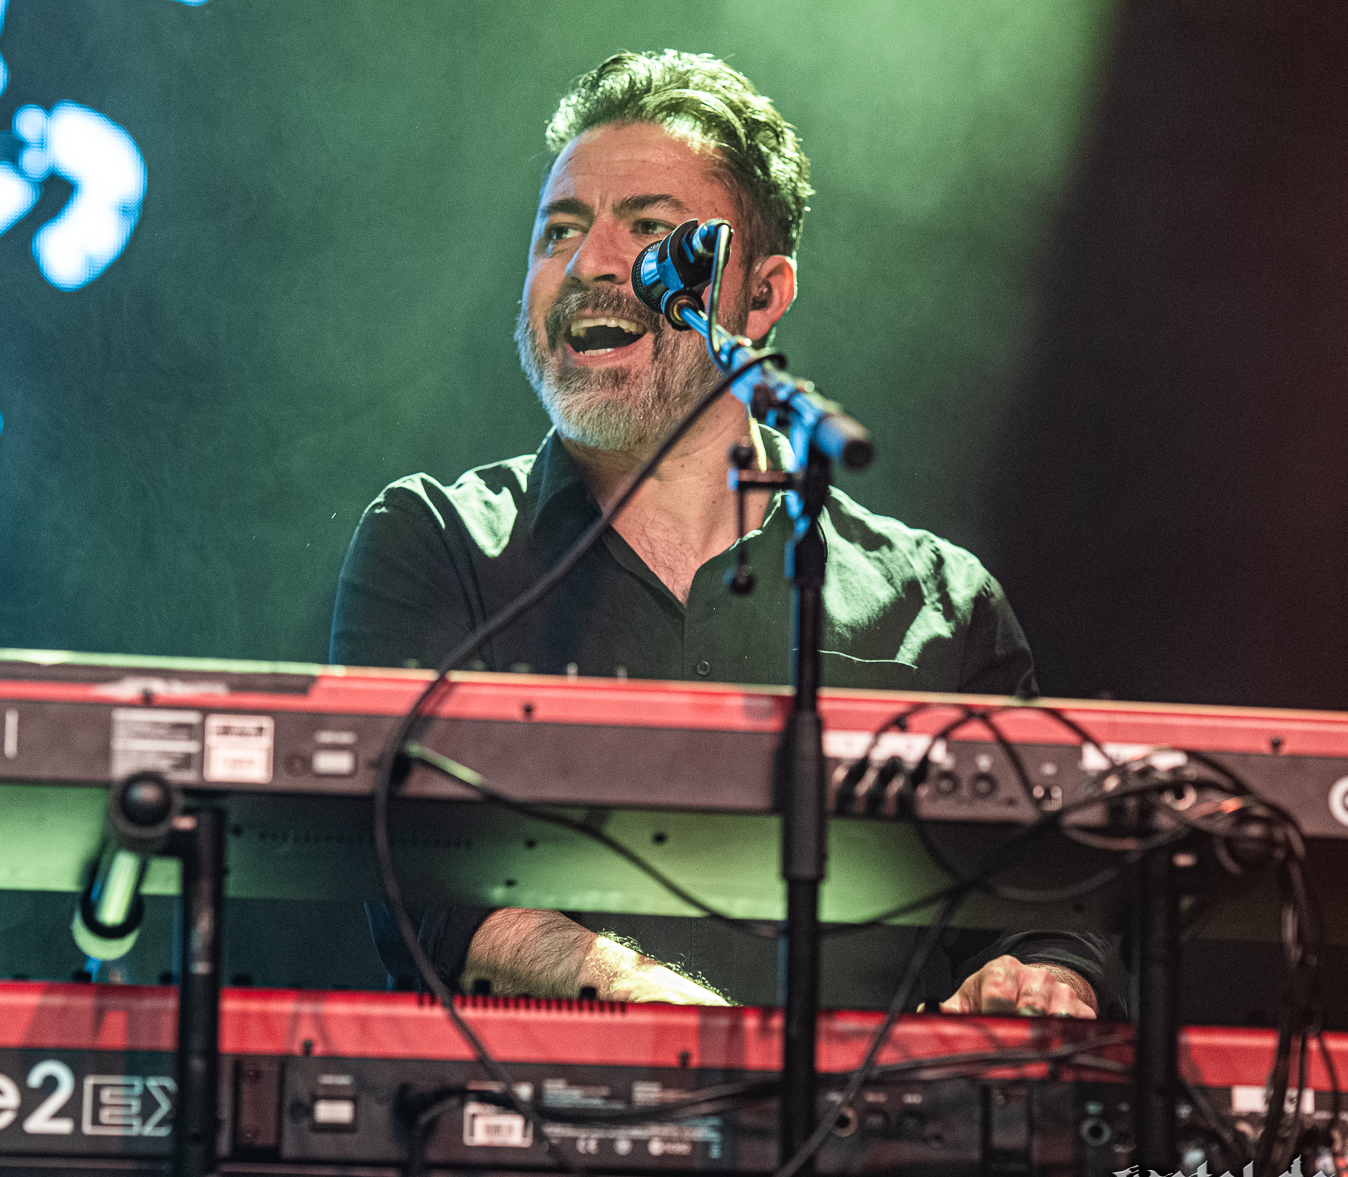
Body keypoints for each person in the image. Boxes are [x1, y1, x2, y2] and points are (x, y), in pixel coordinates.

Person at [330, 50, 1117, 1019]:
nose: (588, 264)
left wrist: (1037, 981)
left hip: (874, 1122)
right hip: (529, 1117)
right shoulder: (435, 543)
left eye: (651, 230)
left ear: (762, 295)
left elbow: (1052, 905)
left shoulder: (941, 607)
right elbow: (423, 888)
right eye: (559, 230)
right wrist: (689, 1025)